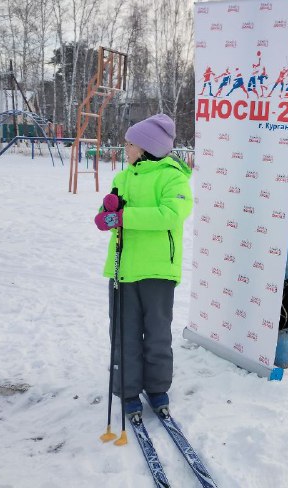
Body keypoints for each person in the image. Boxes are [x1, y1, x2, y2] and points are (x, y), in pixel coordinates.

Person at [94, 113, 193, 417]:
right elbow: (109, 216)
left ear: (145, 146)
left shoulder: (174, 177)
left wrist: (126, 217)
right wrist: (107, 214)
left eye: (129, 143)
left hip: (158, 270)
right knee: (124, 334)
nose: (125, 148)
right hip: (123, 270)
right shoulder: (122, 178)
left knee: (157, 333)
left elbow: (170, 215)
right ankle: (126, 388)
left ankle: (157, 388)